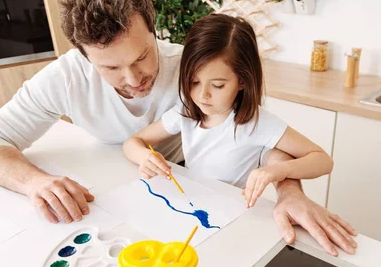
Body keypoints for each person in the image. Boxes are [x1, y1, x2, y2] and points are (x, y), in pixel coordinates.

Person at [0, 0, 357, 256]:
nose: (133, 78)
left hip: (203, 198)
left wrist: (288, 189)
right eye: (110, 68)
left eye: (142, 57)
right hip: (125, 198)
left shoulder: (194, 69)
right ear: (84, 56)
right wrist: (34, 183)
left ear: (154, 29)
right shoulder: (65, 78)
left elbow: (261, 140)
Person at [123, 14, 334, 210]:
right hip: (193, 205)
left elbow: (323, 160)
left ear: (242, 81)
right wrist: (144, 157)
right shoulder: (185, 112)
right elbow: (133, 142)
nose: (202, 95)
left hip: (231, 213)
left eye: (217, 85)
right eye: (194, 82)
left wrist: (278, 171)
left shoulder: (256, 123)